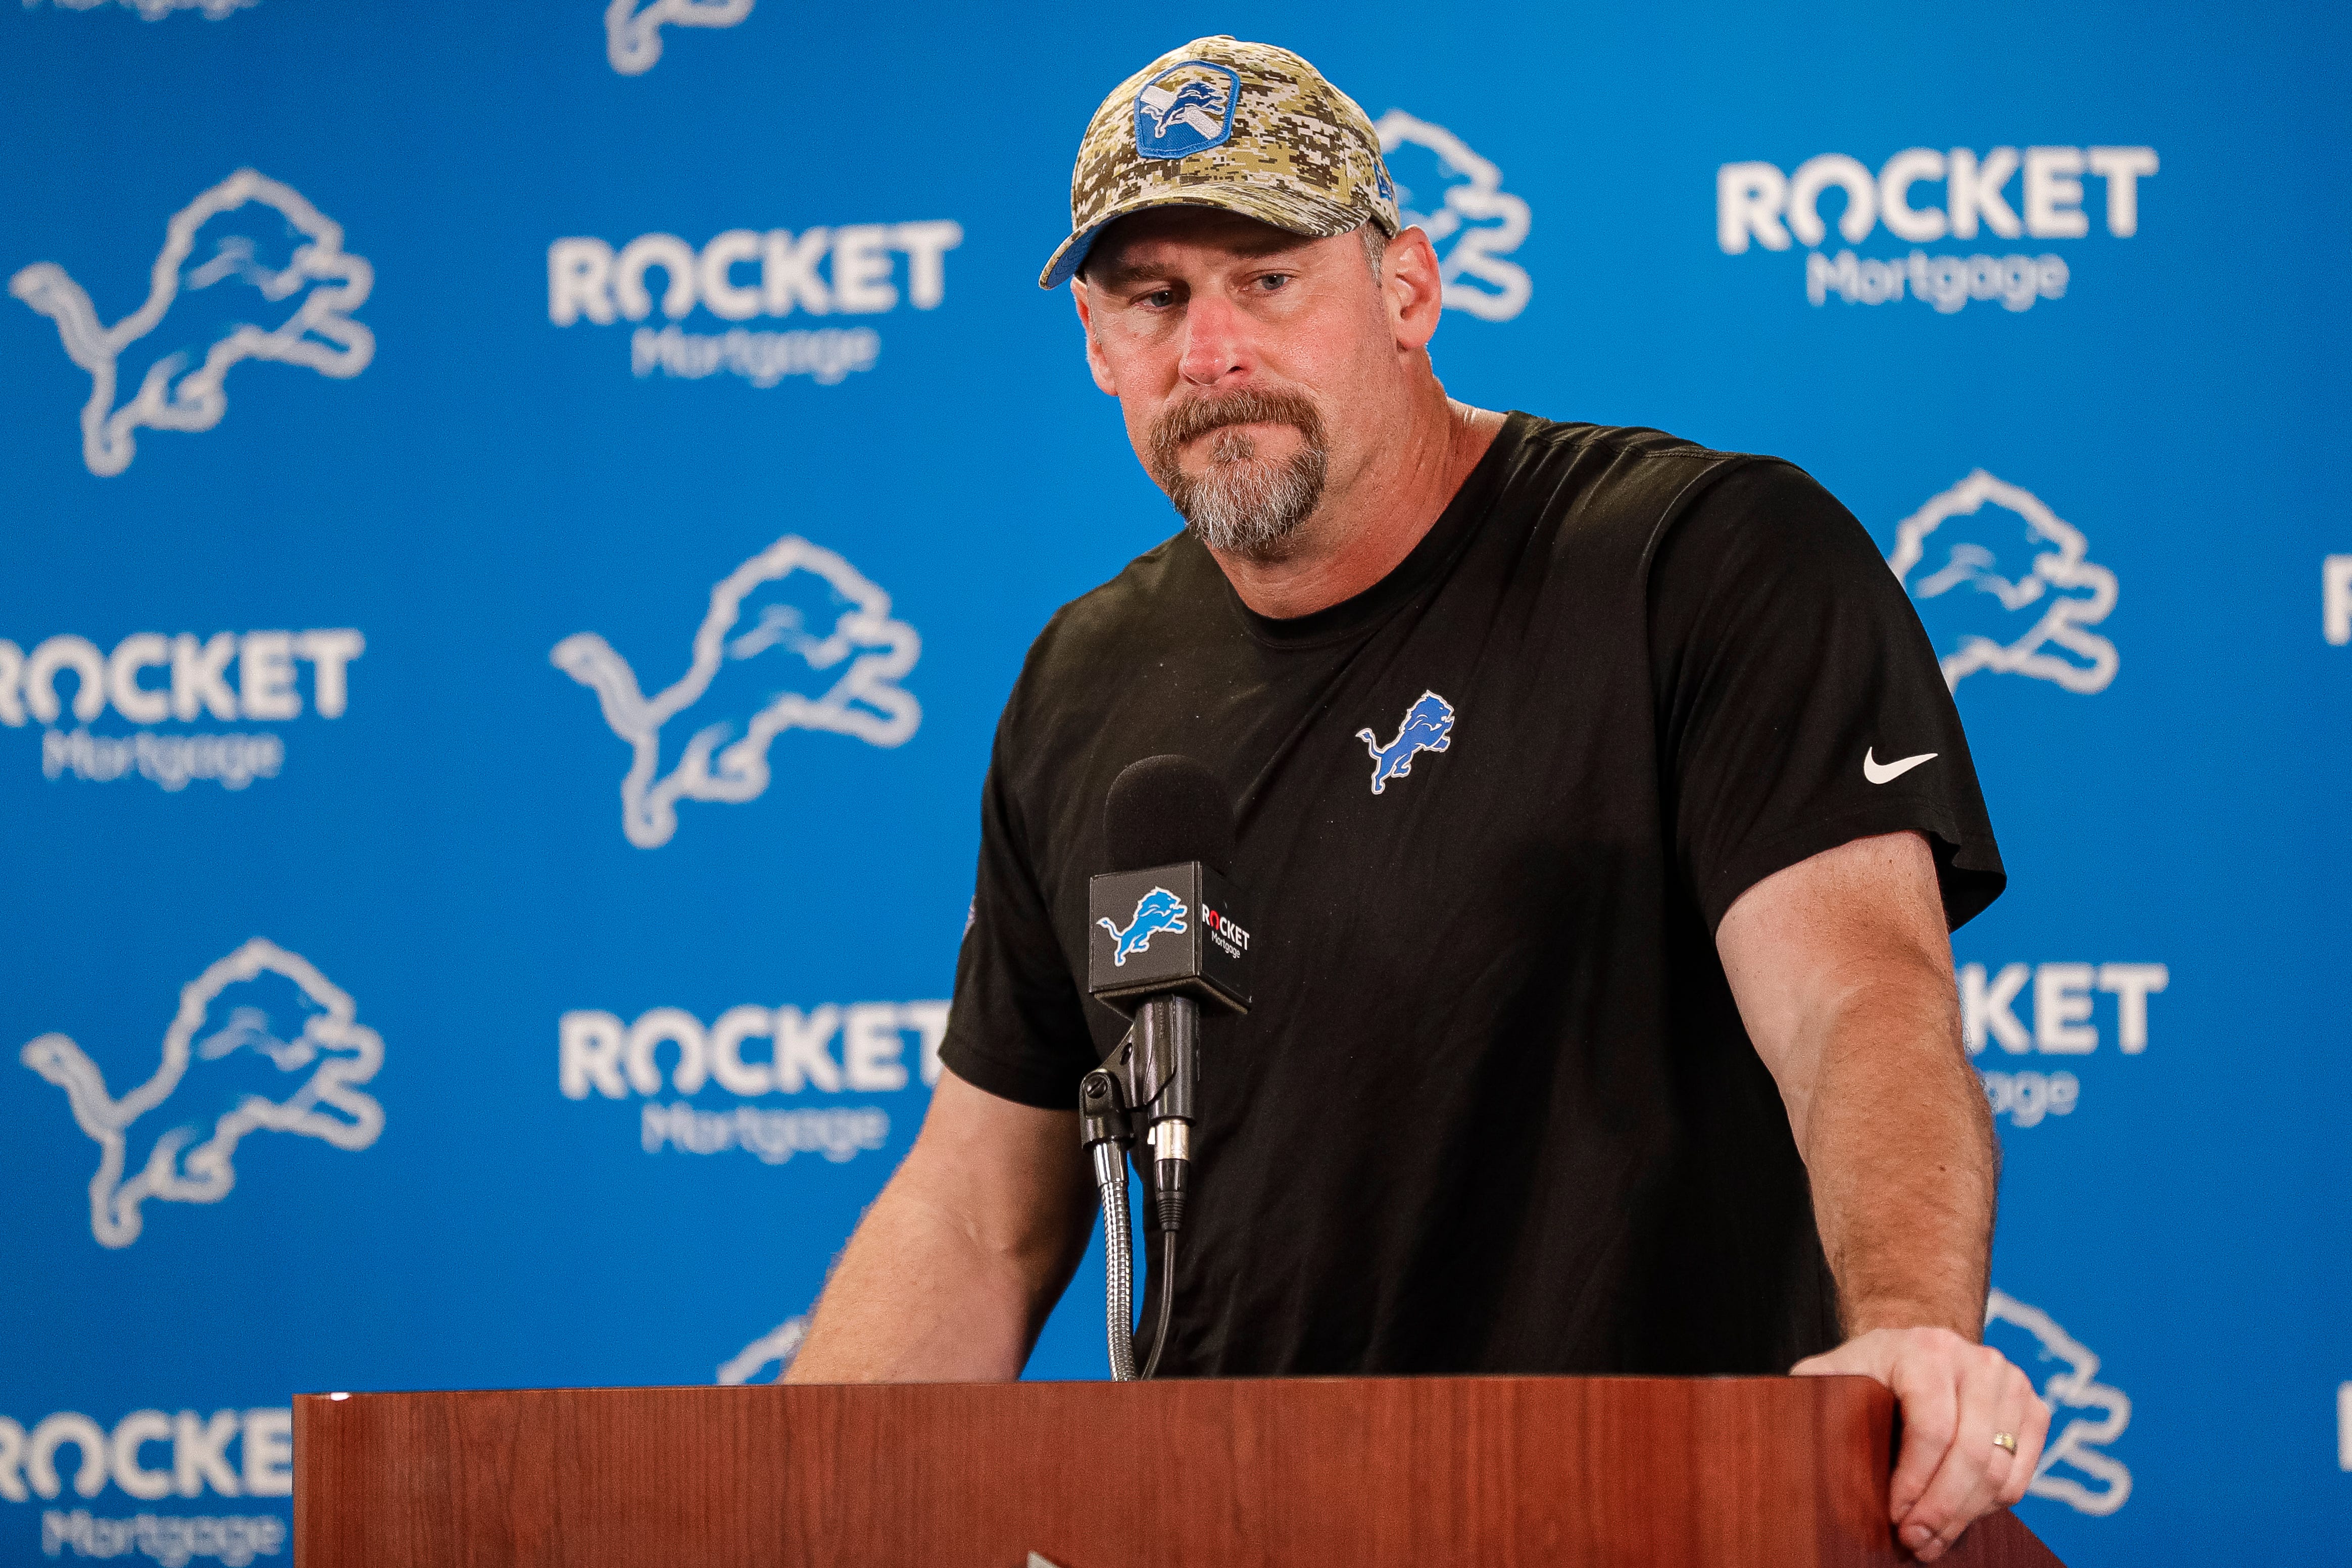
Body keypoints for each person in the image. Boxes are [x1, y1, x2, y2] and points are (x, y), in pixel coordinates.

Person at [790, 35, 2050, 1561]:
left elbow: (1860, 996)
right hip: (1241, 1534)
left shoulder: (1700, 563)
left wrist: (1911, 1331)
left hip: (1645, 1521)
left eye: (1268, 279)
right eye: (1155, 299)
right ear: (1098, 346)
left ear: (1407, 290)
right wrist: (798, 1497)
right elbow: (979, 1210)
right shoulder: (1082, 683)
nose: (1211, 353)